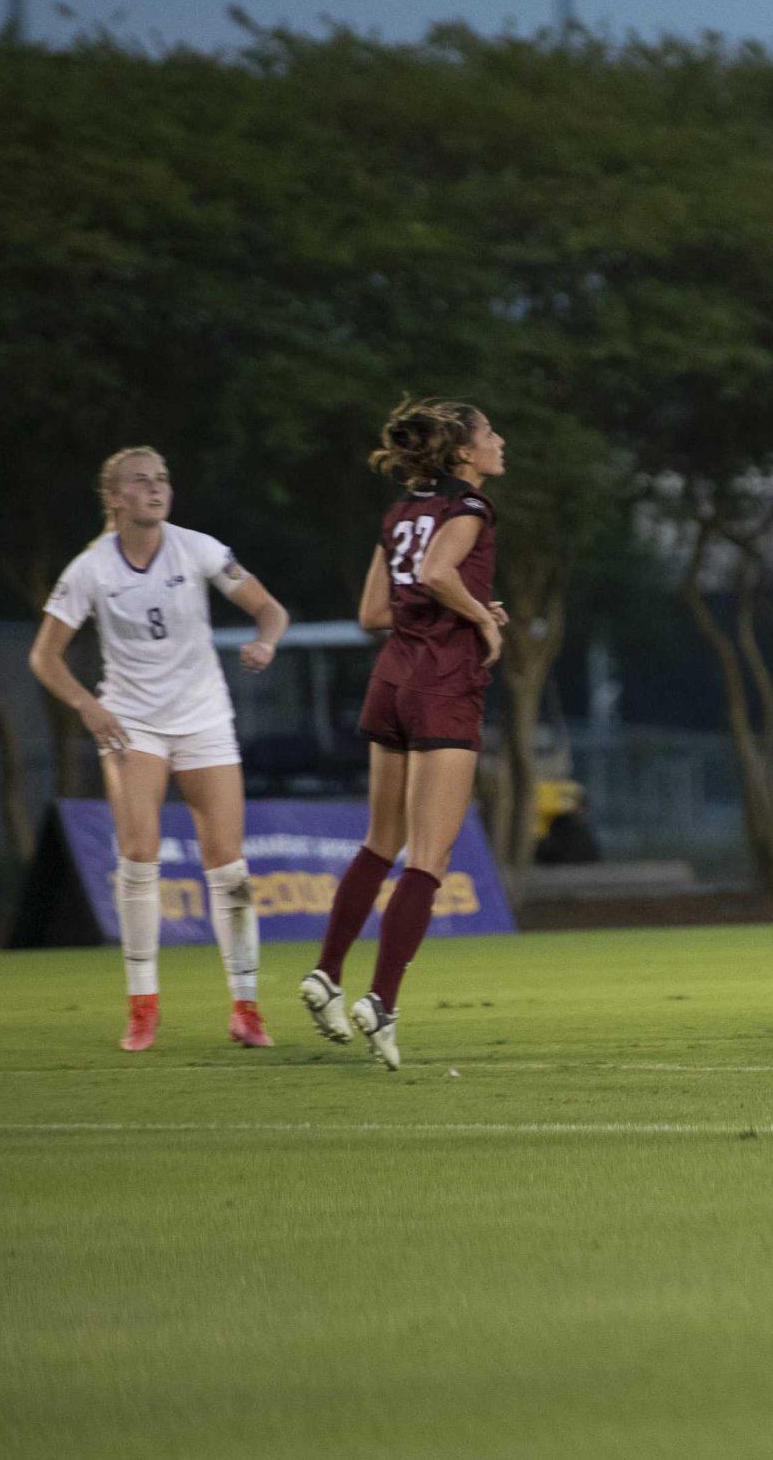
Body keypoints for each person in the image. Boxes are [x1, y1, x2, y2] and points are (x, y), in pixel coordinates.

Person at [29, 447, 291, 1052]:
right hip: (132, 724)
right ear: (115, 497)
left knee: (227, 864)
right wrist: (87, 706)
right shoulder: (90, 568)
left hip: (203, 719)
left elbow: (269, 609)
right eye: (140, 482)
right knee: (140, 855)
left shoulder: (196, 548)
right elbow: (44, 656)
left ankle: (246, 1009)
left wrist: (266, 642)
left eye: (163, 479)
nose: (155, 489)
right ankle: (143, 1006)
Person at [298, 399, 508, 1070]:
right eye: (490, 434)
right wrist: (485, 621)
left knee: (378, 842)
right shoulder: (468, 508)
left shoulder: (400, 513)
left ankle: (326, 974)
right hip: (442, 683)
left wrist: (464, 608)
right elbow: (437, 573)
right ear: (464, 454)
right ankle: (381, 1001)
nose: (501, 442)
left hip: (391, 678)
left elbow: (371, 611)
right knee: (428, 859)